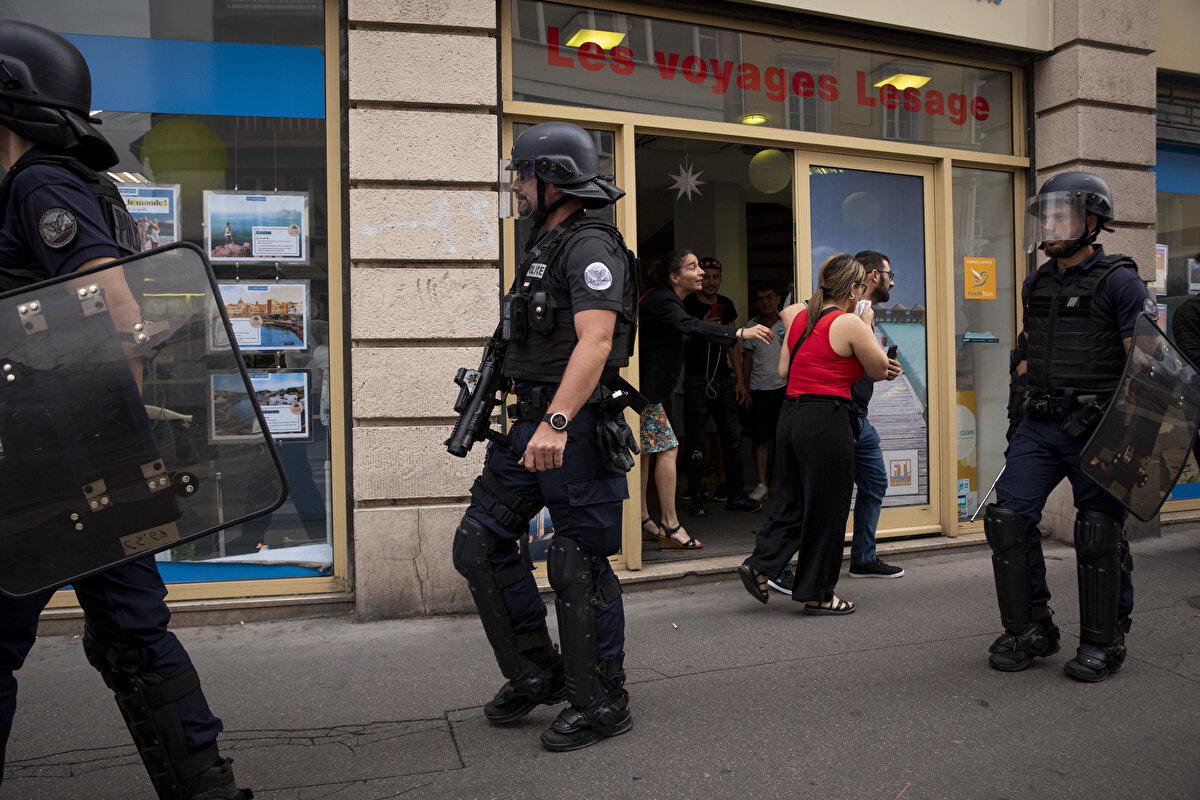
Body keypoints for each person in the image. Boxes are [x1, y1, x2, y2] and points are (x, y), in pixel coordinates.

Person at [0, 21, 250, 798]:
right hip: (95, 453)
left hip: (57, 462)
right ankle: (205, 788)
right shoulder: (79, 182)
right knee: (132, 634)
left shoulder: (41, 182)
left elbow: (111, 305)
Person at [454, 120, 638, 751]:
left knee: (576, 562)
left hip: (574, 427)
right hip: (529, 423)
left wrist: (557, 420)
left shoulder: (590, 247)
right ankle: (538, 671)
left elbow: (597, 341)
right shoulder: (543, 245)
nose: (516, 185)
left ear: (554, 178)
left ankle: (601, 700)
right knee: (478, 542)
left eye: (522, 174)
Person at [982, 171, 1149, 682]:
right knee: (1008, 519)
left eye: (1062, 215)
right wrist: (1017, 421)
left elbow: (1145, 366)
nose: (1049, 225)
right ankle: (1031, 629)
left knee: (1097, 531)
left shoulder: (1120, 280)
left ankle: (1104, 639)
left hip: (1097, 427)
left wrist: (1128, 439)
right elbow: (1026, 355)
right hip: (1041, 423)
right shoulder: (1038, 281)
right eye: (1046, 216)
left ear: (1092, 221)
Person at [736, 254, 888, 613]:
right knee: (828, 509)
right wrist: (865, 322)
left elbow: (784, 369)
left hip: (791, 415)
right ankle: (818, 593)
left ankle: (761, 563)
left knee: (794, 500)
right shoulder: (848, 323)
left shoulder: (802, 317)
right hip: (826, 418)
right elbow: (880, 369)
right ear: (853, 289)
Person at [638, 250, 774, 550]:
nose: (701, 272)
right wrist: (739, 331)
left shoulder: (662, 298)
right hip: (644, 393)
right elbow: (691, 326)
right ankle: (670, 525)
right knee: (668, 448)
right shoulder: (664, 300)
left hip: (646, 392)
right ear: (675, 277)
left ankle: (643, 518)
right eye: (693, 267)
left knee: (648, 452)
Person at [681, 257, 761, 516]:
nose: (711, 282)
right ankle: (696, 497)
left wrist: (741, 382)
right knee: (695, 439)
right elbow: (678, 336)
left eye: (716, 277)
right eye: (707, 277)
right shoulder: (688, 303)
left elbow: (734, 345)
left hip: (723, 380)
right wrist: (705, 328)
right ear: (699, 278)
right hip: (696, 379)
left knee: (733, 437)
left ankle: (735, 495)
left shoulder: (726, 305)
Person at [740, 284, 787, 503]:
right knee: (761, 439)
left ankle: (786, 485)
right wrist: (746, 390)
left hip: (785, 389)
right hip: (759, 390)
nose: (765, 301)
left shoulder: (787, 324)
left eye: (769, 296)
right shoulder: (752, 326)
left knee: (786, 438)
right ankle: (762, 484)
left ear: (778, 298)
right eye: (760, 298)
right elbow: (747, 360)